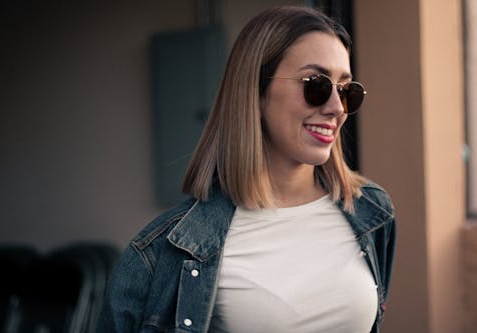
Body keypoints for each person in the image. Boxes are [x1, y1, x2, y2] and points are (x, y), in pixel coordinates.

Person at [96, 5, 396, 333]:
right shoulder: (161, 253)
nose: (337, 108)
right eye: (316, 85)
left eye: (346, 91)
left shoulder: (371, 210)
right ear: (256, 91)